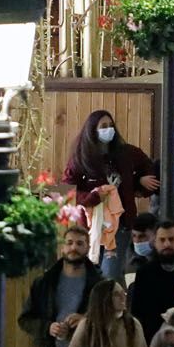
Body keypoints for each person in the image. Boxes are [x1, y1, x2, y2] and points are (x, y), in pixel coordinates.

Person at [61, 109, 160, 281]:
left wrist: (140, 184)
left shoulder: (126, 153)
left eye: (111, 125)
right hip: (90, 227)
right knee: (93, 274)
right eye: (103, 126)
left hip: (120, 224)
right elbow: (67, 191)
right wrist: (91, 197)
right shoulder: (81, 158)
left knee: (110, 274)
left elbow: (147, 166)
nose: (109, 129)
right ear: (92, 130)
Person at [19, 224, 101, 347]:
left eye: (79, 243)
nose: (74, 248)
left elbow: (111, 321)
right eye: (69, 243)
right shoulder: (44, 283)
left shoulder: (99, 285)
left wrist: (85, 321)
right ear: (62, 247)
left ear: (88, 248)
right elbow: (25, 320)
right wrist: (48, 328)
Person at [66, 279, 149, 347]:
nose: (122, 297)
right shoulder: (88, 325)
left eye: (123, 293)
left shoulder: (132, 325)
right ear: (104, 298)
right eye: (116, 294)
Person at [127, 218, 174, 339]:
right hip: (153, 337)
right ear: (155, 243)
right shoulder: (144, 273)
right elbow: (138, 313)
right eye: (162, 240)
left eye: (171, 239)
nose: (167, 244)